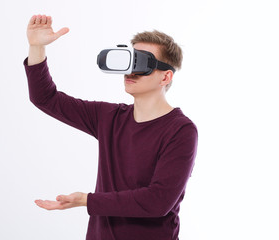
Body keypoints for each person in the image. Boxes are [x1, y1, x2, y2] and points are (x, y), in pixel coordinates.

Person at [24, 14, 198, 240]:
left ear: (165, 77)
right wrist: (36, 47)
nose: (130, 71)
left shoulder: (181, 130)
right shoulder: (108, 117)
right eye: (129, 60)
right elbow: (45, 98)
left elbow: (158, 201)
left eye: (142, 63)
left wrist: (87, 200)